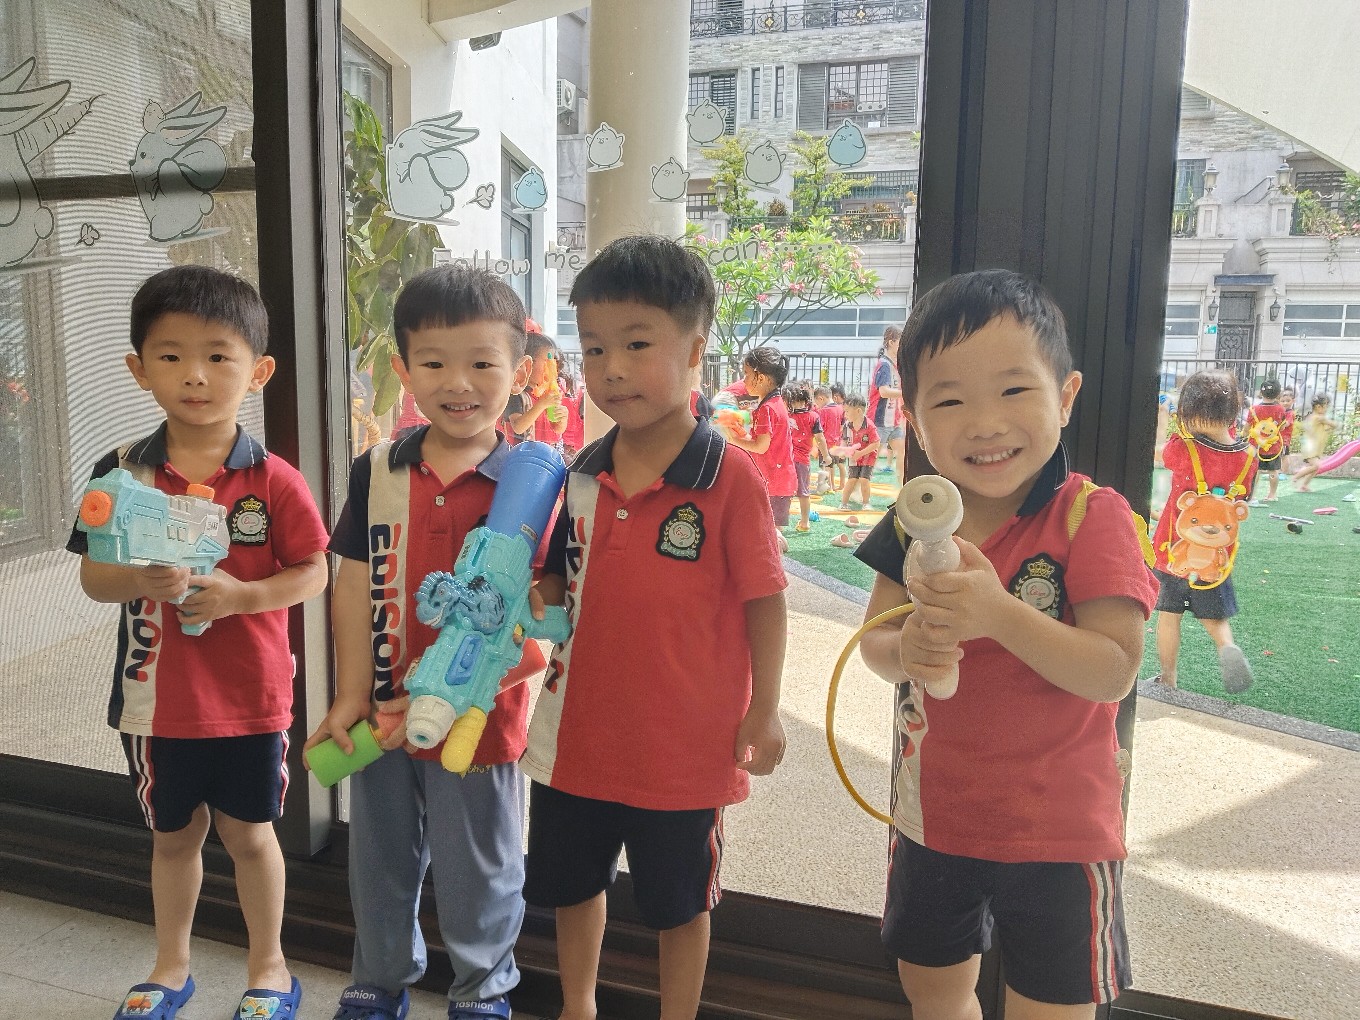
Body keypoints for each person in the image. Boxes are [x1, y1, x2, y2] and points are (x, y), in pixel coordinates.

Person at [853, 269, 1158, 1020]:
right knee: (933, 994)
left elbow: (1113, 670)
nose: (985, 423)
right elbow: (875, 641)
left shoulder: (1093, 516)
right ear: (914, 421)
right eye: (950, 401)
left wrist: (998, 614)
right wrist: (905, 651)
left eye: (1015, 390)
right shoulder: (915, 518)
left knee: (1050, 1007)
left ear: (1067, 395)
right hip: (935, 817)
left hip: (1061, 830)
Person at [520, 234, 788, 1020]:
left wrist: (765, 708)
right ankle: (578, 1005)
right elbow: (558, 578)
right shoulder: (580, 472)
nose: (611, 369)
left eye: (637, 345)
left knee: (679, 903)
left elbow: (766, 600)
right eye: (594, 348)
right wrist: (531, 597)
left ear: (696, 350)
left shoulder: (731, 477)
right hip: (577, 738)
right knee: (573, 886)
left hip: (684, 749)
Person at [68, 265, 330, 1020]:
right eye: (172, 355)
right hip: (157, 702)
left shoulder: (275, 480)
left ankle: (270, 968)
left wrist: (245, 596)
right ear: (139, 368)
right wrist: (139, 580)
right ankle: (170, 967)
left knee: (251, 837)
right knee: (173, 840)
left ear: (259, 372)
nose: (195, 375)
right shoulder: (121, 473)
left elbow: (313, 571)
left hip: (250, 699)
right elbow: (93, 579)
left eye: (219, 355)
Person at [306, 265, 548, 1020]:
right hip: (381, 709)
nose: (458, 384)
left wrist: (471, 683)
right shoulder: (377, 470)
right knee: (379, 857)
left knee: (481, 864)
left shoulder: (535, 483)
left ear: (521, 372)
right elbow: (352, 582)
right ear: (403, 368)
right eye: (435, 363)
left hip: (479, 720)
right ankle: (379, 978)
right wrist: (351, 691)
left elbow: (544, 614)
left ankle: (483, 989)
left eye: (482, 363)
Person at [1149, 369, 1257, 694]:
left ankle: (1168, 677)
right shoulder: (1249, 457)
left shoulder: (1183, 449)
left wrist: (1163, 417)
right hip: (1215, 557)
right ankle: (1226, 646)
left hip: (1173, 552)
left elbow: (1158, 452)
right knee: (1215, 616)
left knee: (1169, 615)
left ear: (1189, 412)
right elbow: (1245, 497)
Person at [723, 345, 798, 543]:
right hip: (778, 480)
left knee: (767, 535)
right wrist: (741, 434)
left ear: (761, 378)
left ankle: (776, 553)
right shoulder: (774, 404)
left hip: (772, 481)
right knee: (768, 533)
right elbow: (764, 442)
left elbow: (761, 446)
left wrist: (733, 440)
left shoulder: (766, 409)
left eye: (747, 374)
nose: (744, 380)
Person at [503, 329, 568, 449]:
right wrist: (542, 404)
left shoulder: (544, 394)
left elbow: (557, 429)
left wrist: (562, 418)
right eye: (547, 361)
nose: (551, 367)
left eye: (553, 362)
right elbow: (518, 427)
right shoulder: (516, 394)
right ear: (527, 365)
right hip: (523, 455)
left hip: (547, 453)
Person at [785, 382, 831, 532]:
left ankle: (780, 523)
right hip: (802, 461)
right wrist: (826, 456)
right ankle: (805, 522)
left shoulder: (786, 415)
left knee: (784, 491)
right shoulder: (813, 417)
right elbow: (820, 438)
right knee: (804, 492)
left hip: (786, 459)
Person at [1245, 378, 1292, 504]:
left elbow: (1247, 427)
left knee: (1255, 471)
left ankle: (1252, 496)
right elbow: (1282, 427)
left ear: (1261, 393)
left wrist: (1244, 435)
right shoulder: (1280, 409)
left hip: (1256, 445)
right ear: (1278, 394)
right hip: (1273, 445)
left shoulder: (1254, 409)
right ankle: (1272, 494)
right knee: (1273, 471)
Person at [868, 325, 906, 477]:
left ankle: (902, 484)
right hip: (879, 420)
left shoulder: (893, 365)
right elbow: (883, 392)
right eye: (900, 342)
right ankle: (858, 486)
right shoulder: (884, 365)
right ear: (891, 342)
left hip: (892, 421)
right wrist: (905, 394)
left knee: (903, 452)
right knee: (871, 458)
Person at [836, 394, 879, 510]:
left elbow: (876, 443)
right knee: (852, 479)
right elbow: (844, 440)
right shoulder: (847, 426)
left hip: (868, 457)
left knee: (864, 479)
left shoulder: (869, 425)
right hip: (853, 458)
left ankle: (866, 503)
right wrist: (843, 451)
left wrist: (861, 453)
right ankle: (843, 503)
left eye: (847, 411)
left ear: (858, 411)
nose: (845, 415)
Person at [1291, 394, 1336, 492]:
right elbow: (1333, 425)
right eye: (1326, 407)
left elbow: (1323, 428)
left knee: (1316, 468)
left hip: (1315, 447)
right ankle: (1297, 476)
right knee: (1316, 466)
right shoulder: (1319, 418)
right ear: (1319, 407)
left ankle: (1304, 485)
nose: (1327, 409)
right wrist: (1337, 424)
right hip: (1310, 447)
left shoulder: (1316, 418)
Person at [813, 384, 845, 493]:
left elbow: (820, 429)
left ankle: (829, 487)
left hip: (826, 443)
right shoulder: (840, 409)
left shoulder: (823, 411)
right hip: (837, 442)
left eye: (817, 403)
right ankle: (836, 485)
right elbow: (842, 425)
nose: (818, 406)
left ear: (821, 398)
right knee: (833, 466)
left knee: (826, 466)